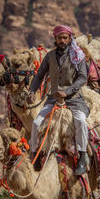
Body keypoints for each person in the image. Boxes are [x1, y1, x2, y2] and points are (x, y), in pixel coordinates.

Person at [27, 25, 89, 175]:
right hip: (53, 99)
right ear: (55, 38)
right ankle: (34, 154)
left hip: (74, 100)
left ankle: (82, 156)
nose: (62, 40)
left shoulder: (78, 56)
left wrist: (67, 91)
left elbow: (82, 77)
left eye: (65, 38)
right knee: (36, 123)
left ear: (69, 39)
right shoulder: (50, 56)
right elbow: (39, 75)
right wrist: (32, 90)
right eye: (59, 38)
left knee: (80, 121)